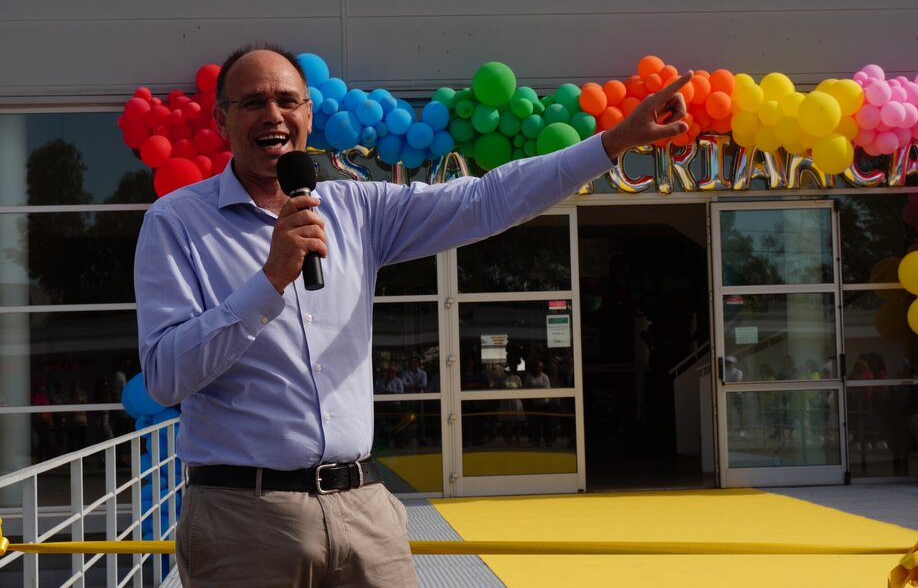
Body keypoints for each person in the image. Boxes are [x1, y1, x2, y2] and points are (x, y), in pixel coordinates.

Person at [134, 43, 690, 587]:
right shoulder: (177, 222)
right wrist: (269, 281)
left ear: (308, 114)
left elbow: (487, 199)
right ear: (221, 120)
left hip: (363, 510)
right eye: (253, 102)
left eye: (287, 100)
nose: (273, 114)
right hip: (243, 519)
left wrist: (614, 142)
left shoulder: (355, 208)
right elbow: (164, 376)